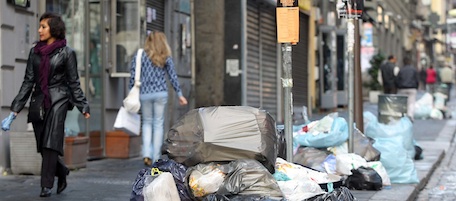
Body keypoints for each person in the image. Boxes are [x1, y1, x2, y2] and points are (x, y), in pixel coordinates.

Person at [1, 12, 90, 197]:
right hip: (38, 101)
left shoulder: (67, 52)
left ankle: (46, 185)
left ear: (54, 29)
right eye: (39, 26)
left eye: (43, 26)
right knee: (42, 145)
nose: (39, 30)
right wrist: (15, 110)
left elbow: (74, 81)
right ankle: (62, 171)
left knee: (50, 144)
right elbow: (28, 81)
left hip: (59, 100)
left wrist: (83, 105)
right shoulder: (35, 52)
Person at [129, 31, 188, 166]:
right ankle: (156, 157)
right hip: (160, 93)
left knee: (147, 123)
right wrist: (180, 94)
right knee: (158, 124)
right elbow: (173, 76)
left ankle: (146, 153)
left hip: (144, 94)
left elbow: (133, 76)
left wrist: (130, 93)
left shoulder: (140, 55)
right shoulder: (165, 56)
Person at [396, 57, 419, 122]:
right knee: (411, 102)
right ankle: (410, 115)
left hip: (402, 88)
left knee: (402, 103)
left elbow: (397, 80)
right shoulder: (413, 70)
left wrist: (398, 86)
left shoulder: (401, 70)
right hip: (412, 88)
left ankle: (402, 115)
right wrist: (416, 87)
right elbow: (417, 79)